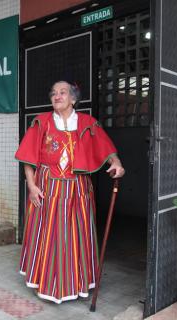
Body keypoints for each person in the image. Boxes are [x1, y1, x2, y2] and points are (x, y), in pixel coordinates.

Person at [15, 81, 125, 304]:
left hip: (78, 189)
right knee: (47, 235)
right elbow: (28, 157)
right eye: (53, 93)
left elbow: (107, 148)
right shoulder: (42, 122)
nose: (57, 96)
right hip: (47, 186)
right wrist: (31, 186)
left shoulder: (87, 123)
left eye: (62, 92)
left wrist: (117, 163)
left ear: (73, 99)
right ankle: (43, 282)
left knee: (76, 235)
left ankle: (75, 284)